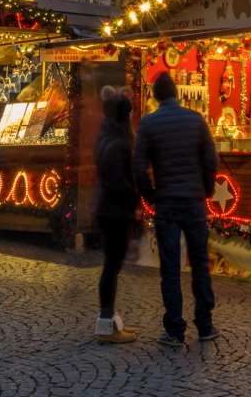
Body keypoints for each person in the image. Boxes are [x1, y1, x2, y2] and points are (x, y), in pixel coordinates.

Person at [134, 72, 219, 347]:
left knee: (170, 267)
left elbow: (138, 168)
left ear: (156, 96)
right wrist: (205, 189)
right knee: (200, 263)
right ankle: (205, 324)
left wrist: (152, 196)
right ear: (177, 94)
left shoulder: (148, 124)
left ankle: (174, 328)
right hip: (193, 202)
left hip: (167, 203)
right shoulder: (196, 120)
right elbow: (210, 159)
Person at [92, 86, 140, 344]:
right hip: (114, 211)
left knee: (111, 266)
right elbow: (118, 182)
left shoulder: (105, 137)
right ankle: (106, 324)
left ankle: (108, 320)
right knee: (112, 266)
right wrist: (135, 197)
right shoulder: (119, 143)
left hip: (107, 209)